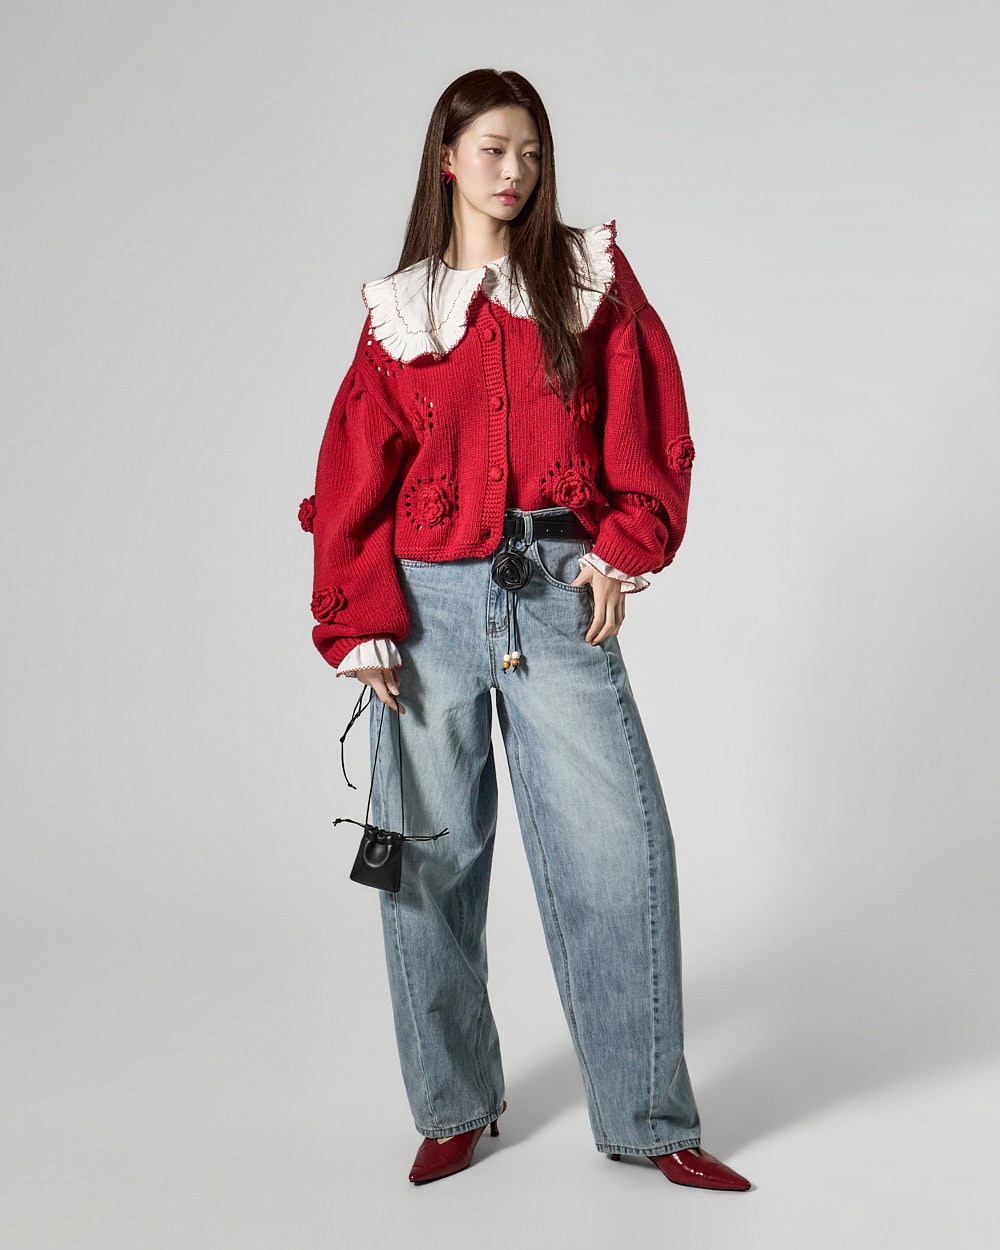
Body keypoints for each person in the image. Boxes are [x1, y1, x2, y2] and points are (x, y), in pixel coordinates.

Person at [299, 67, 752, 1192]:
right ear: (448, 161)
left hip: (554, 589)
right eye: (495, 150)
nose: (516, 171)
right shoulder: (401, 310)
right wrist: (360, 620)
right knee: (424, 864)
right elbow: (356, 465)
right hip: (424, 611)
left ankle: (650, 1118)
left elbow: (650, 414)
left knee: (617, 852)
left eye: (532, 152)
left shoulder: (586, 280)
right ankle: (454, 1105)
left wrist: (620, 545)